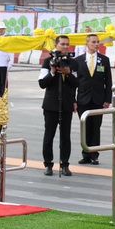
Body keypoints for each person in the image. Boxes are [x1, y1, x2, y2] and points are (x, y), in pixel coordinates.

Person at [39, 35, 78, 177]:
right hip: (51, 105)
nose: (65, 47)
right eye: (62, 44)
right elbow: (42, 83)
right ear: (56, 45)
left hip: (66, 104)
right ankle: (48, 164)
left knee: (65, 137)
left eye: (67, 44)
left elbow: (77, 83)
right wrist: (52, 72)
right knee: (49, 136)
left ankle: (64, 164)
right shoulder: (48, 61)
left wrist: (68, 74)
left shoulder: (73, 63)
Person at [74, 34, 112, 165]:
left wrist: (107, 99)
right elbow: (74, 82)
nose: (96, 44)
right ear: (87, 43)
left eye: (98, 42)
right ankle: (85, 154)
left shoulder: (104, 60)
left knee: (96, 127)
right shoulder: (78, 60)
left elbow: (108, 81)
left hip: (98, 99)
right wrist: (74, 100)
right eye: (93, 42)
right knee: (85, 127)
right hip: (82, 100)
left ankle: (94, 155)